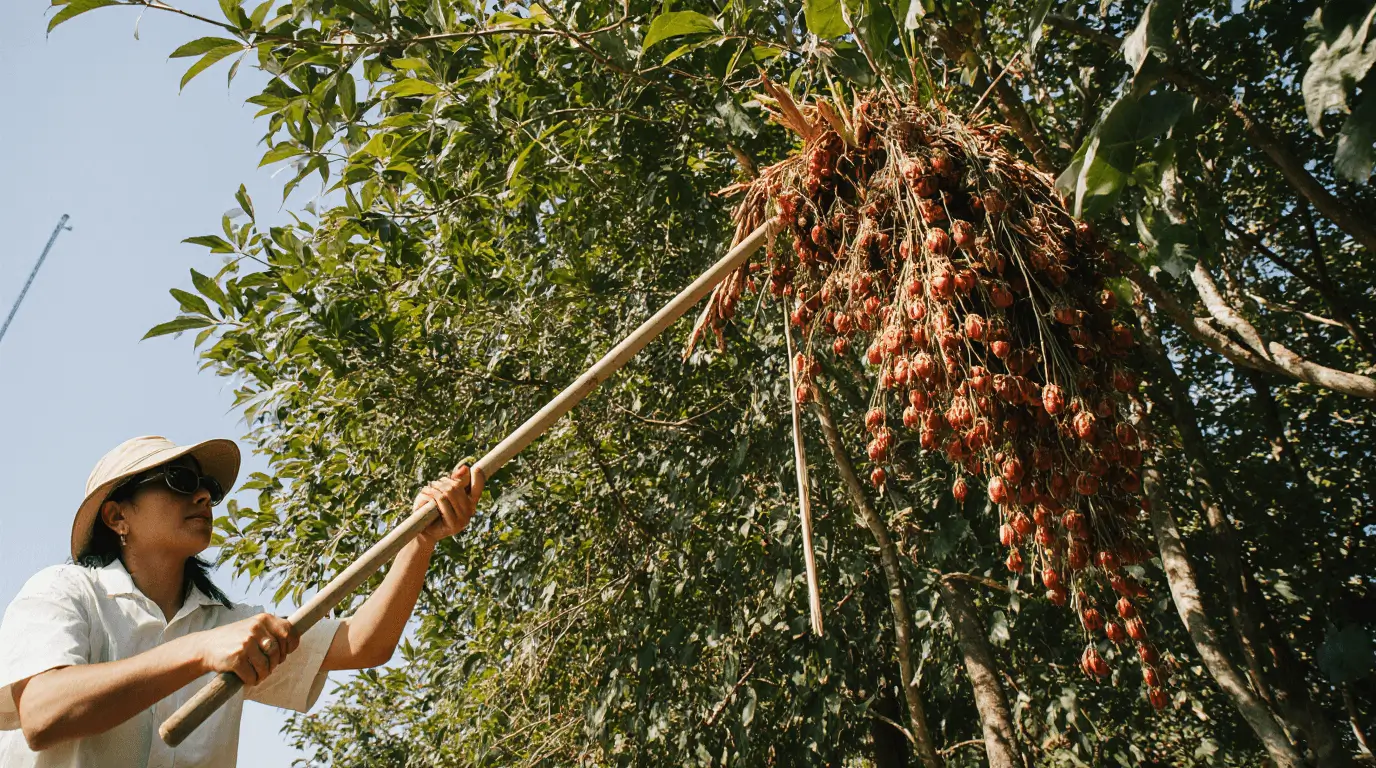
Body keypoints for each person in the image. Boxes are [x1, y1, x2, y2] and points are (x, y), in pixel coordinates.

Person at [0, 435, 483, 766]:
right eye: (179, 482)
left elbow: (363, 644)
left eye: (208, 487)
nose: (204, 497)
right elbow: (43, 713)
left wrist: (422, 539)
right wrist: (198, 652)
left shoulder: (229, 624)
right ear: (117, 516)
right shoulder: (63, 593)